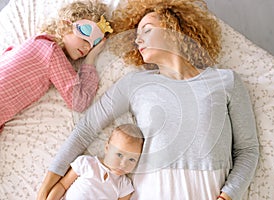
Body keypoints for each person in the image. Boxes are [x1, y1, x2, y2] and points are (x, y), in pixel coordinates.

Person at [38, 0, 259, 200]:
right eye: (136, 34)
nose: (137, 39)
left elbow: (247, 150)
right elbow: (86, 129)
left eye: (147, 29)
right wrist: (45, 190)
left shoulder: (225, 81)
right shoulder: (135, 83)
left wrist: (228, 197)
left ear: (174, 29)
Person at [0, 0, 113, 133]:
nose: (87, 47)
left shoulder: (37, 41)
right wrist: (91, 59)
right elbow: (78, 101)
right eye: (84, 38)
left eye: (93, 45)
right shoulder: (52, 52)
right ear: (64, 25)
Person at [46, 124, 144, 200]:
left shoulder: (124, 185)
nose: (123, 164)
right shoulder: (87, 163)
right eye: (119, 155)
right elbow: (62, 185)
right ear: (107, 148)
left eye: (132, 159)